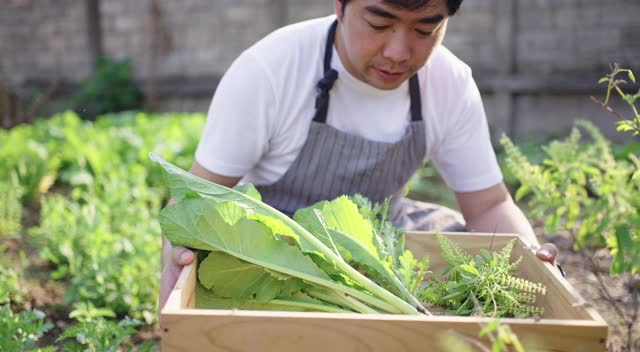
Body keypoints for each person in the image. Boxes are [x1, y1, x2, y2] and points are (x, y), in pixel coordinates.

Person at [159, 0, 560, 312]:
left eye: (426, 28)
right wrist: (174, 304)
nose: (399, 51)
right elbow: (195, 200)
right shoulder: (270, 69)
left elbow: (489, 205)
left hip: (381, 248)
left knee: (462, 247)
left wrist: (534, 263)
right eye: (380, 24)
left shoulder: (448, 82)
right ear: (340, 5)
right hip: (274, 254)